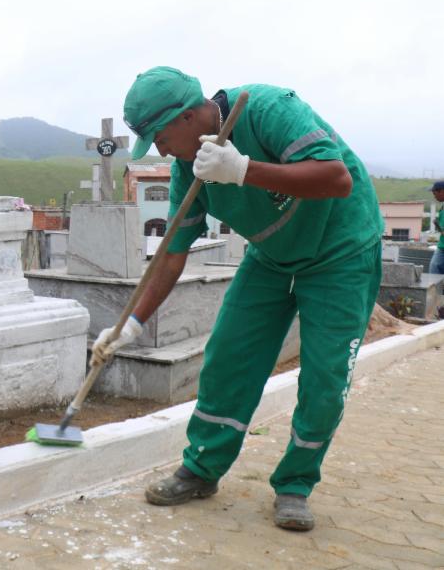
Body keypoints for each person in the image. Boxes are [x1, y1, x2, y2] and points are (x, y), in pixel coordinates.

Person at [93, 67, 384, 532]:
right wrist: (129, 325)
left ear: (189, 117)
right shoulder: (190, 169)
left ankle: (294, 484)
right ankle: (202, 469)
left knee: (326, 377)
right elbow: (170, 256)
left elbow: (336, 178)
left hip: (340, 252)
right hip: (271, 259)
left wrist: (244, 170)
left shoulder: (268, 109)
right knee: (228, 357)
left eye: (161, 137)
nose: (163, 151)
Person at [430, 180, 444, 275]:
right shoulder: (443, 207)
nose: (434, 196)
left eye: (435, 194)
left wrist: (439, 227)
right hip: (442, 247)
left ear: (442, 191)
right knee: (434, 270)